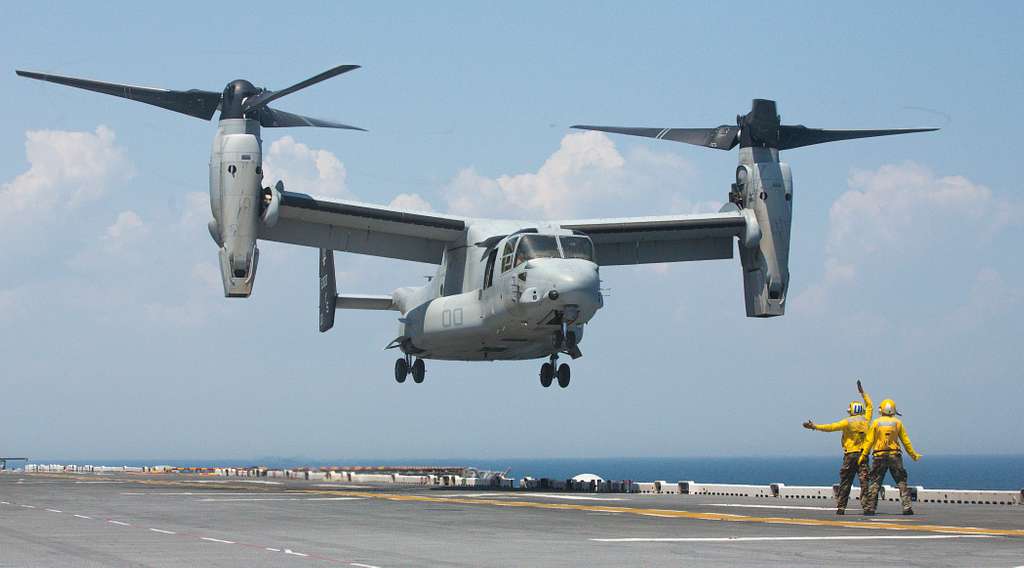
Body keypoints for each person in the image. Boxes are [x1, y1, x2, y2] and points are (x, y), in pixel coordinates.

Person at [803, 380, 873, 515]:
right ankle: (867, 507)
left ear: (851, 410)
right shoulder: (866, 420)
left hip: (850, 455)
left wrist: (815, 426)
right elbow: (870, 405)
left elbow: (831, 427)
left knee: (846, 481)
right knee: (864, 482)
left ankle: (841, 507)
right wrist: (862, 392)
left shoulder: (847, 422)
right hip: (863, 455)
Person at [858, 398, 922, 515]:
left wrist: (863, 455)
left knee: (875, 482)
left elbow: (869, 441)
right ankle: (907, 507)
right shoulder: (897, 423)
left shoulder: (876, 423)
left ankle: (870, 508)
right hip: (894, 456)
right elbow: (905, 441)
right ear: (893, 410)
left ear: (881, 409)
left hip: (879, 456)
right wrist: (913, 455)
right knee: (901, 481)